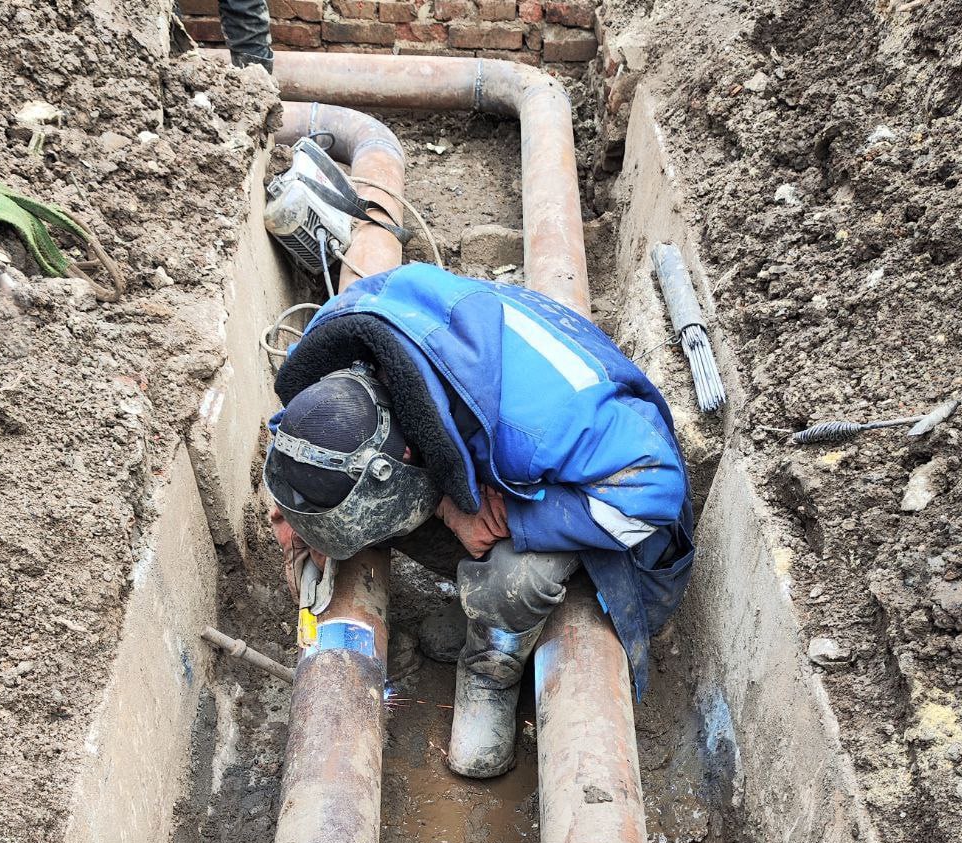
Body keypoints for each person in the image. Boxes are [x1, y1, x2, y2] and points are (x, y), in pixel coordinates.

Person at [266, 263, 694, 779]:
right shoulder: (333, 348)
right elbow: (295, 424)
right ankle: (479, 604)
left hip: (596, 493)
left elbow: (655, 491)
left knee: (515, 580)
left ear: (405, 456)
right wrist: (294, 507)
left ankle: (493, 665)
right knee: (389, 514)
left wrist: (513, 517)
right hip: (482, 444)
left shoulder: (539, 429)